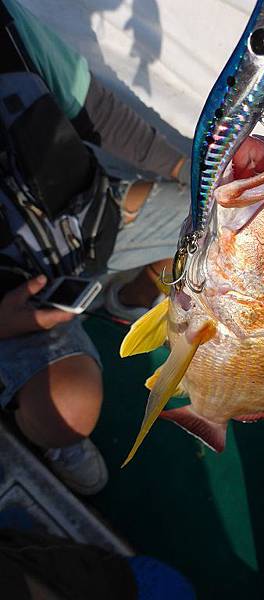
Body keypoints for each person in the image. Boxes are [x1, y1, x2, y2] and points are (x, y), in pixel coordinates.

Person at [0, 0, 192, 495]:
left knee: (216, 223)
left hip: (90, 218)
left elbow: (94, 110)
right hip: (14, 299)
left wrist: (193, 172)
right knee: (70, 408)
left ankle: (124, 302)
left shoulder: (5, 24)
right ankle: (55, 436)